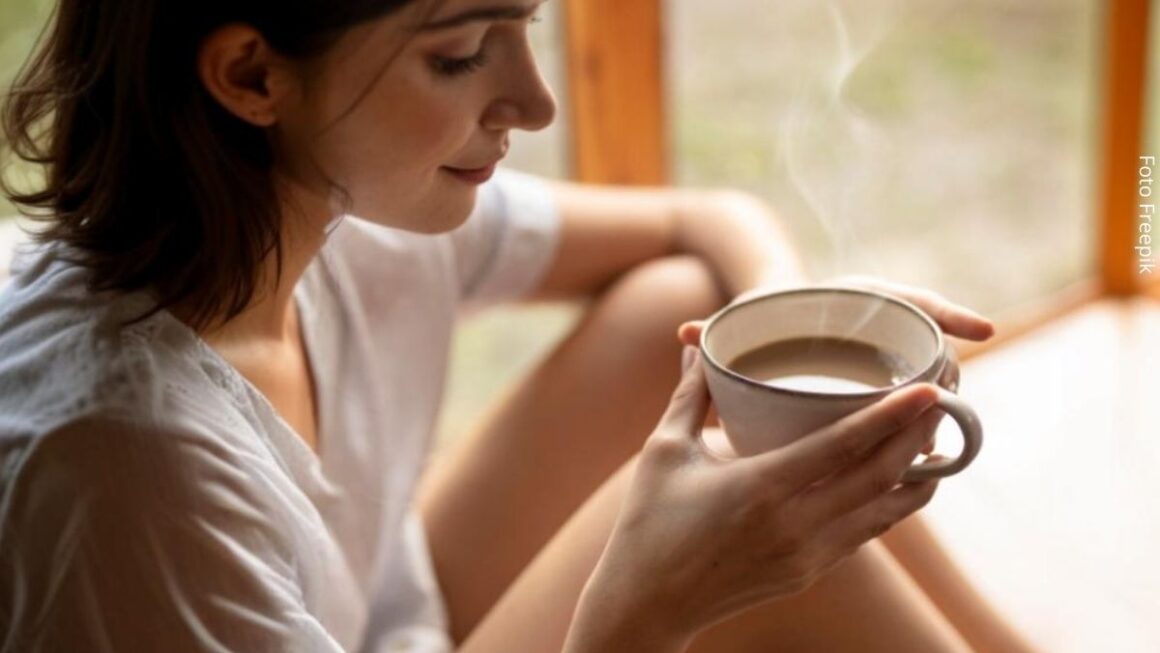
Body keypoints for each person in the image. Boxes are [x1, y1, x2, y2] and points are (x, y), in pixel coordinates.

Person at [0, 0, 1040, 651]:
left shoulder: (333, 206)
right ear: (251, 74)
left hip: (375, 616)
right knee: (755, 526)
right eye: (459, 53)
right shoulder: (122, 471)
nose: (535, 102)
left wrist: (784, 327)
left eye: (525, 27)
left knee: (670, 314)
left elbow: (704, 221)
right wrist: (653, 603)